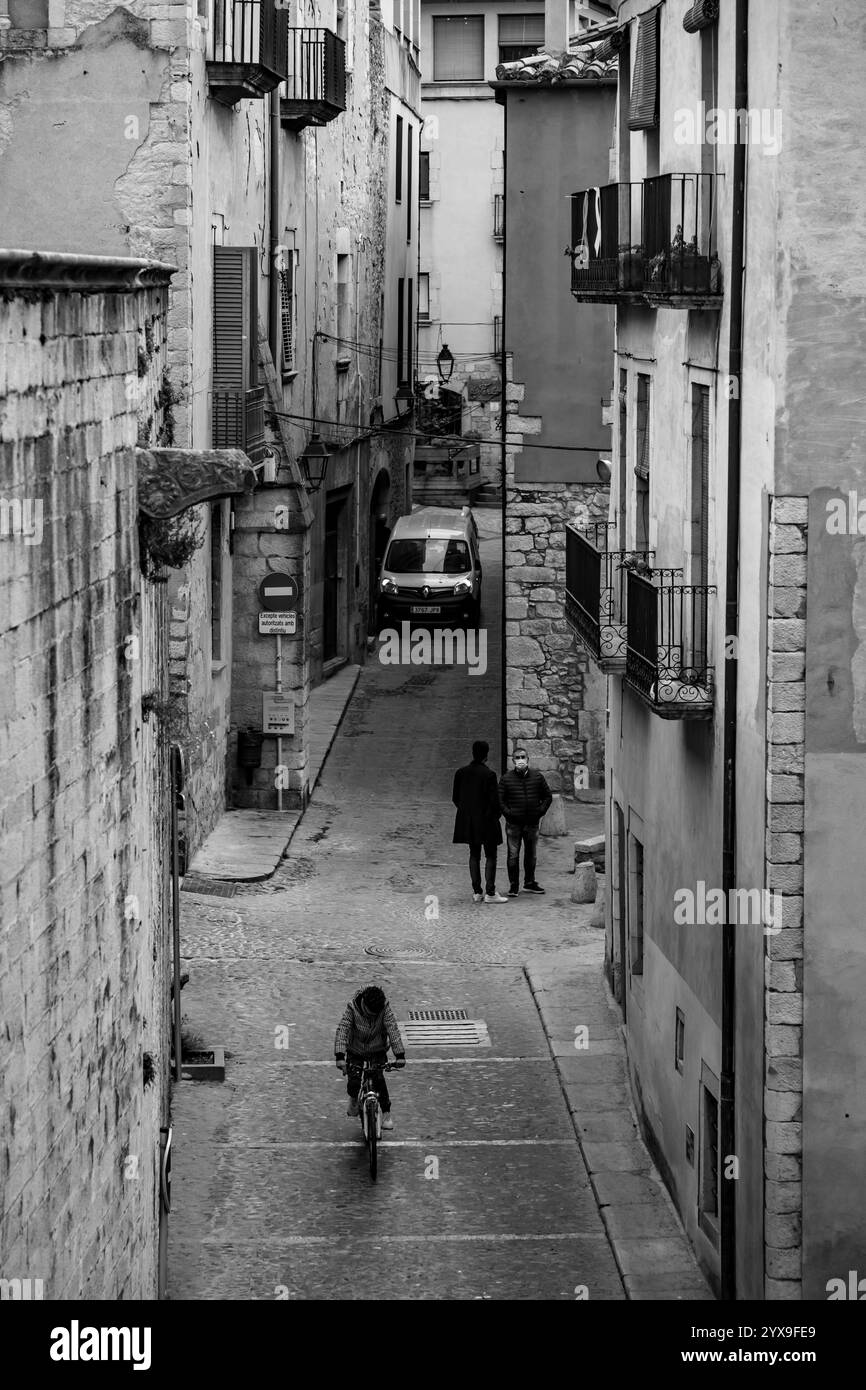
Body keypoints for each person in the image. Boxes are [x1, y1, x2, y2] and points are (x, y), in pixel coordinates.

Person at [334, 985, 406, 1130]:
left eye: (376, 1014)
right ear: (363, 1005)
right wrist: (340, 1056)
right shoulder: (352, 1008)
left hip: (377, 1049)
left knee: (379, 1079)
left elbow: (392, 1029)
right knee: (354, 1080)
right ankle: (354, 1099)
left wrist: (400, 1055)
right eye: (370, 1013)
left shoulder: (384, 1009)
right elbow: (343, 1029)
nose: (373, 1016)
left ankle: (386, 1114)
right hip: (355, 1049)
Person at [452, 740, 508, 904]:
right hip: (487, 821)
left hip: (469, 821)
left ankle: (477, 892)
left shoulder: (461, 773)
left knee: (474, 855)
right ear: (486, 754)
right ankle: (490, 892)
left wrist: (468, 812)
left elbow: (456, 798)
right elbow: (494, 801)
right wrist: (494, 817)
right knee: (491, 855)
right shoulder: (489, 775)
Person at [498, 747, 553, 896]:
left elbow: (548, 796)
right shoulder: (506, 779)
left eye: (523, 757)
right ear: (513, 760)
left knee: (531, 854)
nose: (520, 760)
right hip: (513, 824)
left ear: (528, 759)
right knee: (513, 855)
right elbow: (500, 800)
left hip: (532, 823)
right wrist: (509, 814)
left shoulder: (537, 777)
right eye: (517, 757)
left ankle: (529, 882)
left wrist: (539, 812)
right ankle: (513, 886)